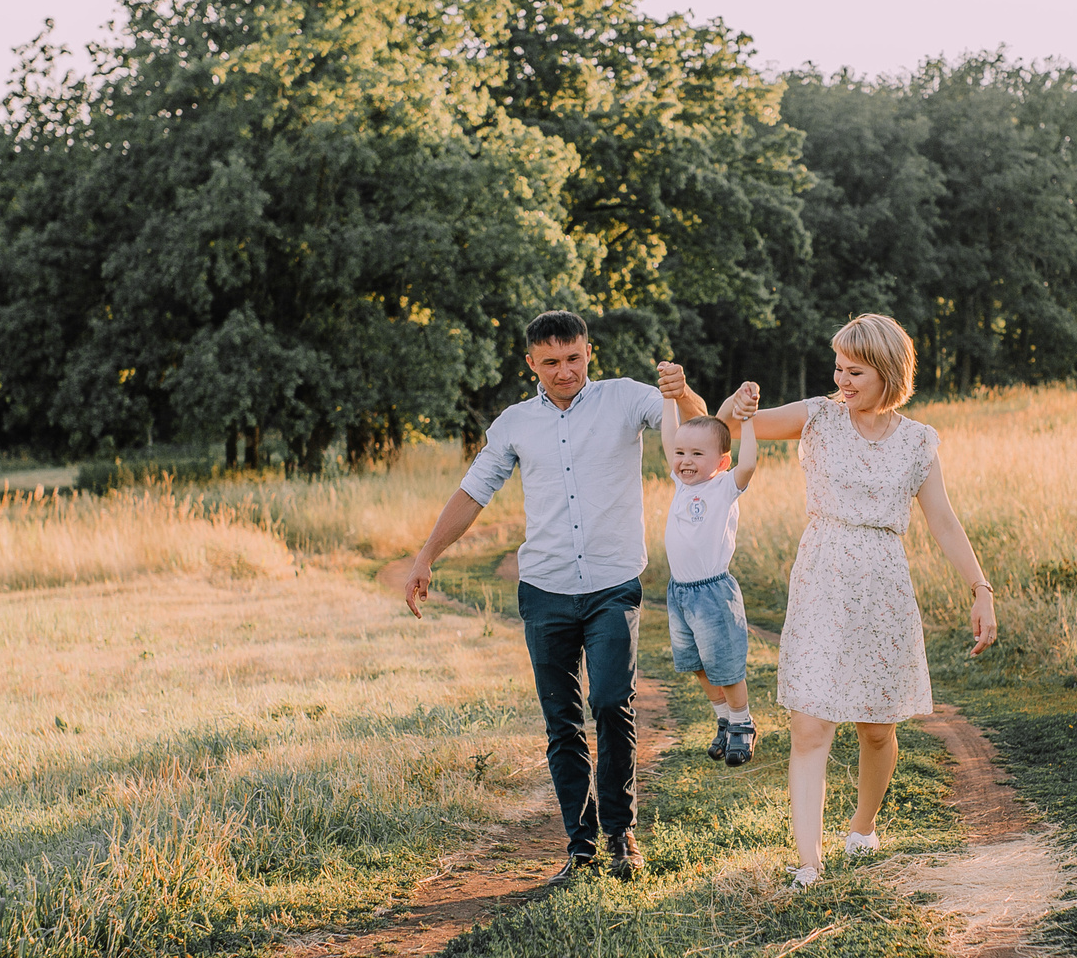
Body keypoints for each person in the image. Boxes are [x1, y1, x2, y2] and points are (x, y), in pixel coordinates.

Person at [400, 311, 717, 885]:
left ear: (588, 352)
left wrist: (683, 391)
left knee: (611, 703)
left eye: (573, 358)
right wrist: (426, 557)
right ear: (531, 365)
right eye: (551, 362)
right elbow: (473, 492)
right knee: (562, 721)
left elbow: (699, 432)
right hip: (543, 589)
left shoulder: (627, 399)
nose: (564, 371)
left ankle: (623, 837)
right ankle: (581, 846)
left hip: (613, 585)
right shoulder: (515, 423)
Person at [731, 314, 996, 886]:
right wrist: (735, 403)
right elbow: (732, 426)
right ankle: (808, 863)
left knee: (876, 727)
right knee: (810, 726)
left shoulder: (918, 442)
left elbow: (944, 522)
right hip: (821, 579)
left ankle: (862, 828)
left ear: (888, 373)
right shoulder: (817, 416)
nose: (841, 380)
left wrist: (981, 589)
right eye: (838, 369)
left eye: (854, 372)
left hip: (883, 589)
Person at [659, 383, 766, 768]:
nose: (685, 461)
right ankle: (724, 719)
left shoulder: (722, 487)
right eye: (681, 454)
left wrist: (748, 421)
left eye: (697, 454)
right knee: (698, 665)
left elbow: (749, 464)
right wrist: (669, 399)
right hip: (680, 593)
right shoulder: (679, 482)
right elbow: (669, 436)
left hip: (712, 593)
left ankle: (742, 723)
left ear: (720, 462)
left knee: (725, 665)